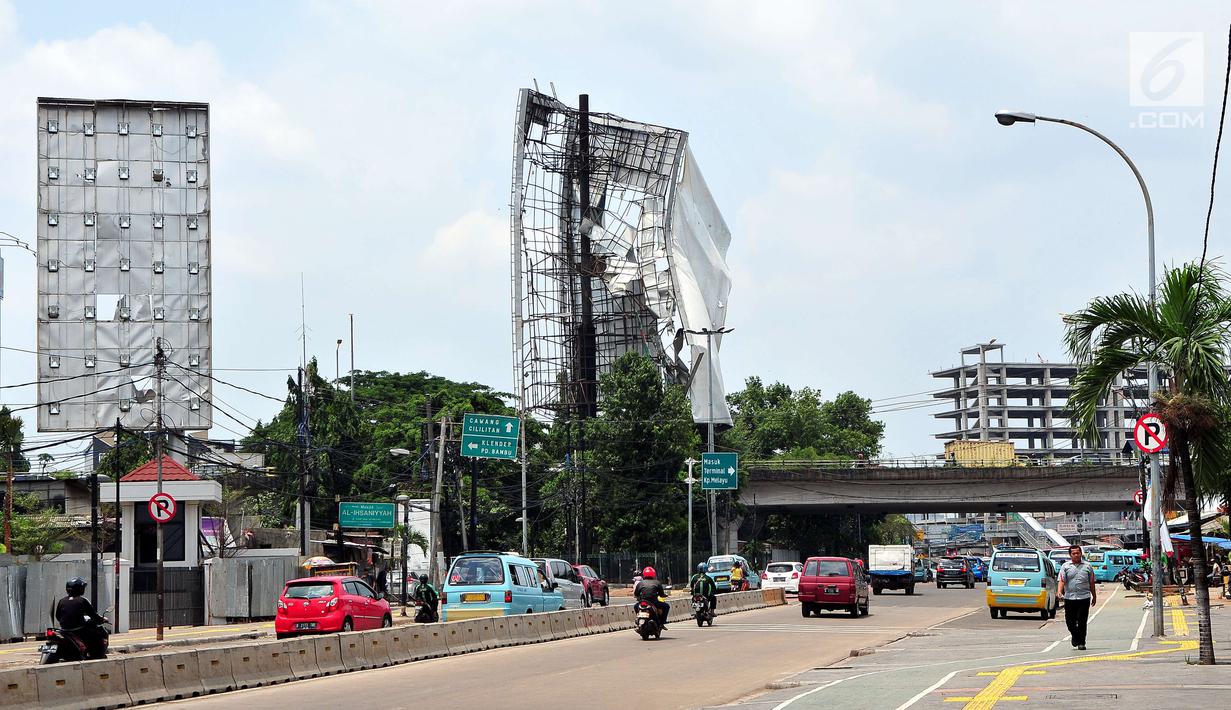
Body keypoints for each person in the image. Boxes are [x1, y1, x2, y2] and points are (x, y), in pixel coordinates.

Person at [52, 577, 107, 658]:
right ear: (80, 589)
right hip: (78, 629)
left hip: (64, 629)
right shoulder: (82, 601)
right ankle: (95, 655)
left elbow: (58, 616)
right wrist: (102, 619)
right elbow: (93, 615)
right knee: (97, 634)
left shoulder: (62, 601)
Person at [1057, 545, 1097, 651]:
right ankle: (1075, 636)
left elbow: (1091, 582)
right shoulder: (1065, 566)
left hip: (1084, 597)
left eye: (1077, 553)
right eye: (1073, 553)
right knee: (1070, 621)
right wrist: (1059, 592)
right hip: (1069, 598)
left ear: (1081, 554)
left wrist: (1094, 596)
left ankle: (1081, 643)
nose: (1076, 555)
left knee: (1082, 621)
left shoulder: (1088, 566)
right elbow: (1061, 580)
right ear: (1070, 555)